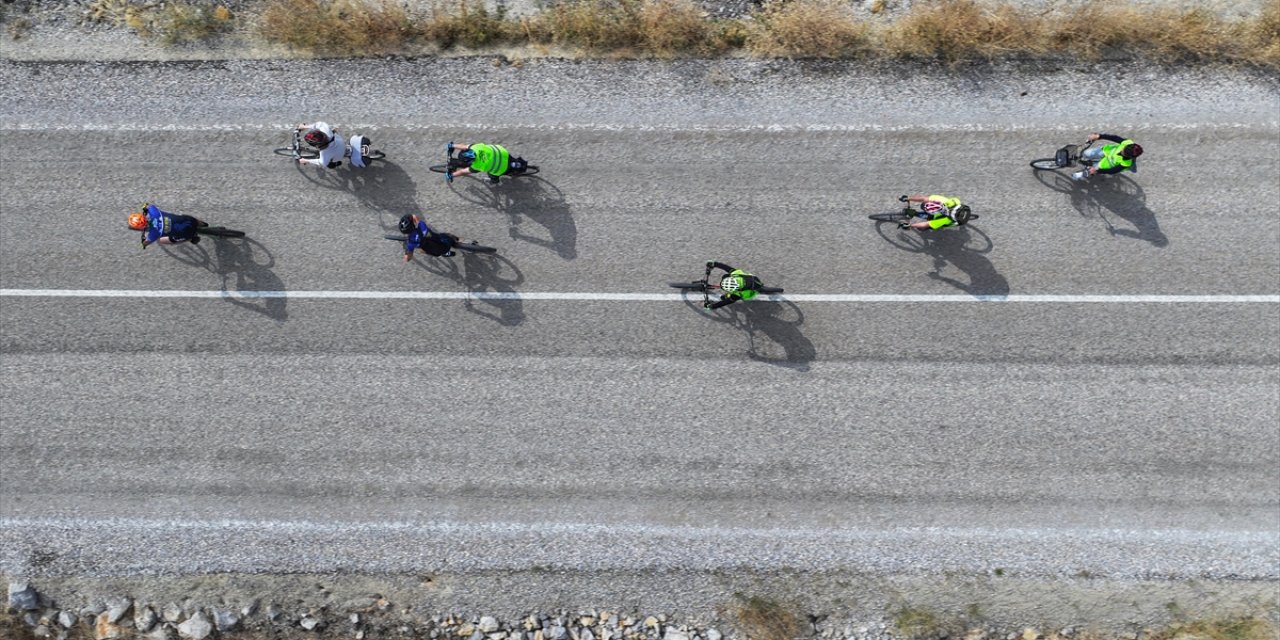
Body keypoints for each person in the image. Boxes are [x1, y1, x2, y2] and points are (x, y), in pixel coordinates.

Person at [128, 203, 208, 248]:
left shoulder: (153, 234)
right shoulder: (154, 212)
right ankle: (203, 224)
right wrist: (145, 207)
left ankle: (190, 238)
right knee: (186, 218)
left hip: (186, 233)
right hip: (189, 221)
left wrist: (143, 244)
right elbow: (148, 205)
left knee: (161, 240)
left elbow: (146, 243)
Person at [1073, 132, 1143, 181]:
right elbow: (1114, 138)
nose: (1121, 150)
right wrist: (1099, 136)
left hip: (1106, 164)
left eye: (1123, 152)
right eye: (1123, 148)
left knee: (1090, 171)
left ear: (1129, 156)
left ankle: (1089, 172)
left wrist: (1098, 171)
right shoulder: (1127, 143)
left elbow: (1112, 171)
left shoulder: (1126, 163)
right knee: (1086, 153)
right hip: (1106, 151)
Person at [448, 142, 529, 184]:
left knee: (492, 174)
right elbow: (464, 146)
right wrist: (452, 145)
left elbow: (462, 171)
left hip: (502, 168)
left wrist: (451, 175)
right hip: (502, 153)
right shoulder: (475, 147)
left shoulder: (478, 165)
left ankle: (494, 181)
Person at [898, 194, 972, 230]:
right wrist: (908, 198)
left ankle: (917, 214)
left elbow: (926, 224)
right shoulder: (943, 200)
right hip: (957, 206)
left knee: (924, 227)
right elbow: (924, 199)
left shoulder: (944, 219)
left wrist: (910, 226)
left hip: (953, 221)